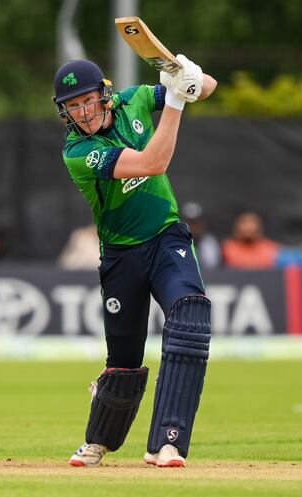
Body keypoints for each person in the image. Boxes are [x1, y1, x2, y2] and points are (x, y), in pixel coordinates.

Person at [52, 56, 217, 467]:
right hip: (121, 254)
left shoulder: (135, 100)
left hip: (166, 236)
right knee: (123, 359)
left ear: (105, 96)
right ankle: (99, 440)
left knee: (189, 316)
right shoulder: (78, 152)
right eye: (72, 106)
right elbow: (151, 163)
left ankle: (168, 442)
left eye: (88, 100)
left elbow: (209, 85)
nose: (83, 112)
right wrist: (177, 102)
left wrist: (188, 77)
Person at [180, 202, 221, 269]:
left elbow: (212, 266)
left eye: (195, 222)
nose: (193, 226)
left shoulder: (210, 242)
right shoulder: (175, 242)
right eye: (190, 222)